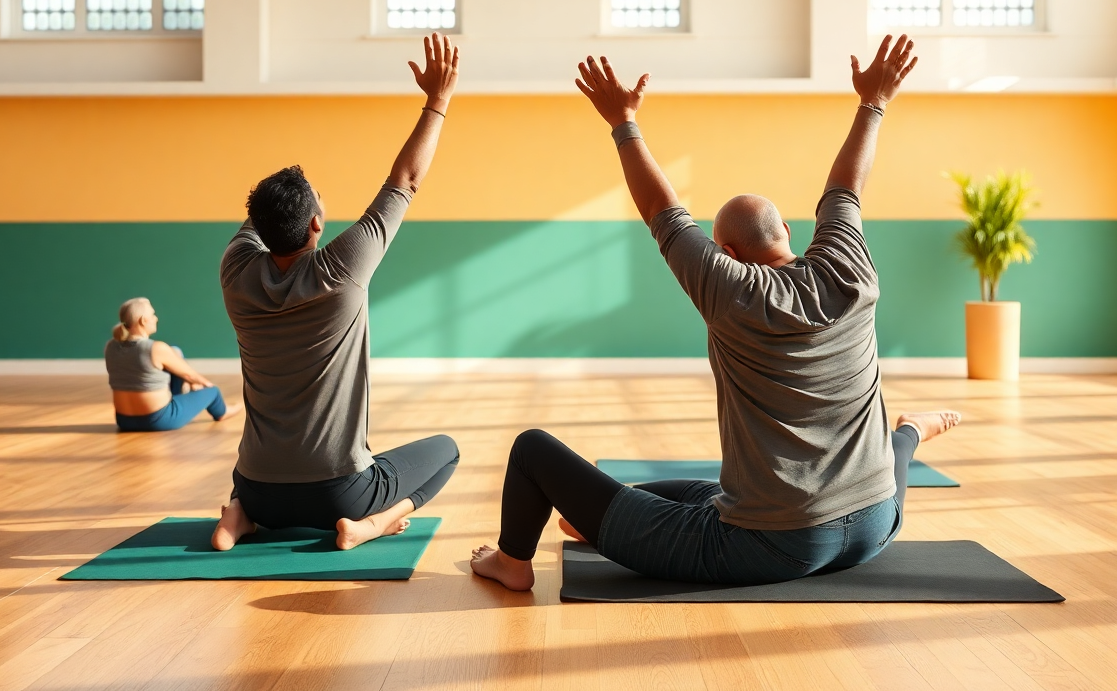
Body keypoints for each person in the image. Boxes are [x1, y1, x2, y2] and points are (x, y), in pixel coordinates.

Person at [471, 35, 963, 591]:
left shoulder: (731, 290)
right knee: (706, 490)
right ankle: (910, 434)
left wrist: (623, 121)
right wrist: (873, 103)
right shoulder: (850, 266)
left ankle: (511, 560)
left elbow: (661, 210)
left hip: (778, 545)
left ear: (725, 254)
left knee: (533, 450)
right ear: (790, 233)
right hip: (876, 524)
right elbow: (846, 185)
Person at [210, 33, 462, 553]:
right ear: (317, 224)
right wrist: (438, 100)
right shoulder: (341, 270)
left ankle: (239, 515)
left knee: (256, 482)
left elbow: (262, 215)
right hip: (339, 495)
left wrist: (287, 198)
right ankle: (371, 525)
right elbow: (405, 180)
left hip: (257, 486)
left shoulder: (235, 271)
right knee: (447, 451)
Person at [105, 297, 242, 432]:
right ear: (143, 320)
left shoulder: (111, 346)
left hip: (124, 421)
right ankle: (223, 411)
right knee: (213, 392)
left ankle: (185, 396)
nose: (156, 318)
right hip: (158, 420)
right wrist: (204, 390)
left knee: (175, 352)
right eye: (153, 315)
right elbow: (190, 375)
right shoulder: (155, 348)